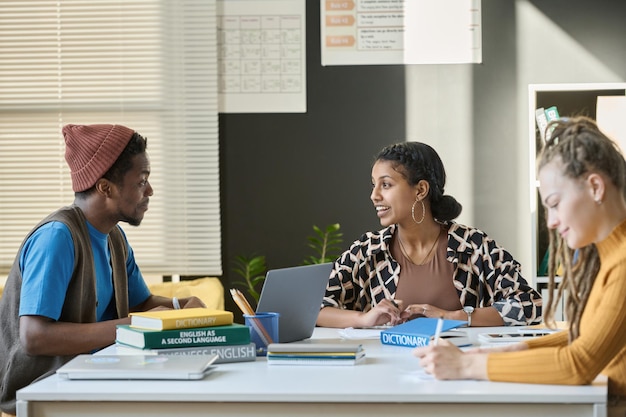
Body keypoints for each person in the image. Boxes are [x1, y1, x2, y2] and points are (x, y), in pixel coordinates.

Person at [414, 117, 626, 416]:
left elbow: (578, 364)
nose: (551, 221)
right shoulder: (610, 257)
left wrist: (466, 364)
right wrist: (512, 351)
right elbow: (585, 335)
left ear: (594, 187)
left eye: (554, 203)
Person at [0, 124, 206, 416]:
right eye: (141, 181)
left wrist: (180, 306)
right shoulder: (57, 237)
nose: (150, 190)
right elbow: (35, 337)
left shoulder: (114, 237)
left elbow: (141, 303)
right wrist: (135, 324)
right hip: (44, 390)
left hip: (93, 378)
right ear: (105, 187)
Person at [317, 141, 542, 329]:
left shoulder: (473, 246)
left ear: (420, 190)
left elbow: (530, 305)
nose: (374, 195)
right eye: (374, 185)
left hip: (457, 372)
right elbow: (313, 309)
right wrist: (363, 319)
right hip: (384, 374)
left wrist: (450, 317)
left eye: (385, 185)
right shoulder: (367, 250)